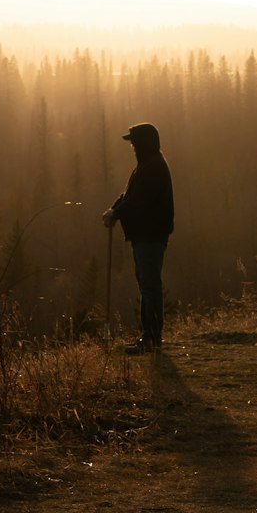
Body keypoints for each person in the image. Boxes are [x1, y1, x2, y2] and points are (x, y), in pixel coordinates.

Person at [102, 122, 174, 352]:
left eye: (134, 142)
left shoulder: (152, 167)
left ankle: (151, 338)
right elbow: (128, 194)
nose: (132, 147)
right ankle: (149, 337)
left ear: (143, 143)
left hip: (150, 237)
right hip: (145, 236)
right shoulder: (146, 165)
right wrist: (114, 209)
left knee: (150, 286)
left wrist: (117, 212)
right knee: (147, 285)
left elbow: (137, 200)